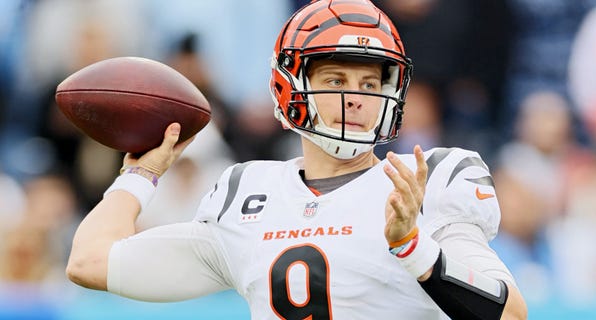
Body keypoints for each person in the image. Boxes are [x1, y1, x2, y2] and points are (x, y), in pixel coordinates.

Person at [66, 1, 527, 319]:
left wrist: (412, 246)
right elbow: (90, 262)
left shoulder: (431, 177)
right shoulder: (245, 194)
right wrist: (140, 174)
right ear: (291, 87)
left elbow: (508, 312)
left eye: (370, 84)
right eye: (336, 79)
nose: (355, 98)